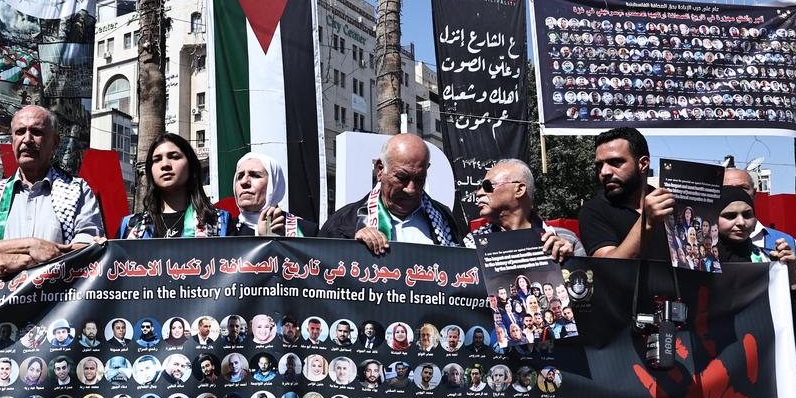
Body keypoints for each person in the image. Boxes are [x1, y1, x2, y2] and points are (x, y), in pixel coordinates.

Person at [0, 105, 102, 276]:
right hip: (3, 299)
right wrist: (30, 245)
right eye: (20, 132)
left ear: (55, 142)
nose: (27, 139)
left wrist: (27, 262)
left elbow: (89, 251)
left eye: (36, 132)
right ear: (12, 141)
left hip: (58, 299)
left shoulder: (77, 190)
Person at [323, 133, 460, 252]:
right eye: (402, 177)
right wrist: (350, 246)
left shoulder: (445, 220)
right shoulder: (344, 223)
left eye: (419, 179)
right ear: (380, 169)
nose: (410, 189)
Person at [578, 127, 673, 259]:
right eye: (600, 165)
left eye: (615, 162)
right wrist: (646, 223)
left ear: (643, 164)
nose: (604, 172)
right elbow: (608, 267)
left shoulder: (668, 203)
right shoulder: (594, 211)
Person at [465, 159, 583, 260]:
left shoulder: (564, 240)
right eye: (479, 187)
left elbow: (587, 281)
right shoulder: (471, 245)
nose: (479, 193)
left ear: (519, 190)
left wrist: (570, 262)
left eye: (487, 186)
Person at [119, 132, 231, 237]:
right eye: (157, 159)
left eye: (174, 157)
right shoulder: (130, 227)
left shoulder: (220, 222)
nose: (165, 165)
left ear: (191, 165)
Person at [231, 151, 317, 236]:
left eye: (255, 175)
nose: (244, 182)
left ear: (274, 184)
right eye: (240, 176)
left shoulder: (307, 232)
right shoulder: (224, 232)